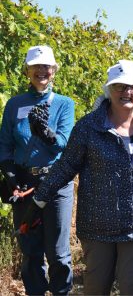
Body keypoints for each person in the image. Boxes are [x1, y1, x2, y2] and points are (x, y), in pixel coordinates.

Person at [22, 59, 133, 295]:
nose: (127, 92)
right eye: (120, 86)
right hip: (98, 223)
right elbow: (66, 165)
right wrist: (39, 200)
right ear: (109, 90)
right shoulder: (88, 127)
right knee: (96, 287)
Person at [0, 45, 75, 295]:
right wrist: (9, 174)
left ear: (54, 71)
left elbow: (64, 143)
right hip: (24, 183)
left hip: (55, 182)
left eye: (46, 66)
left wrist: (46, 134)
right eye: (36, 66)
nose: (41, 71)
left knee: (57, 252)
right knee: (30, 250)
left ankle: (61, 292)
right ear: (27, 71)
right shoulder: (14, 105)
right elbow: (4, 145)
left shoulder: (64, 104)